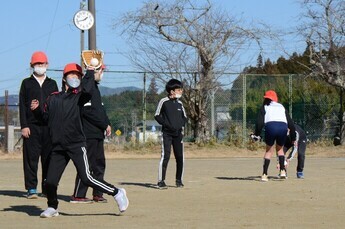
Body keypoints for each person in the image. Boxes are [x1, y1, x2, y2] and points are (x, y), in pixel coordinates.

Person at [31, 63, 128, 218]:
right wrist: (36, 111)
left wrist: (89, 71)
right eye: (71, 75)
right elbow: (45, 119)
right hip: (58, 146)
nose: (75, 78)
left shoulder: (79, 96)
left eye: (78, 76)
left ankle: (117, 192)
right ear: (64, 79)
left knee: (87, 177)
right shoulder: (53, 97)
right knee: (49, 181)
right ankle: (52, 207)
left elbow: (88, 89)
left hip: (76, 144)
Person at [19, 51, 58, 199]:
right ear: (32, 66)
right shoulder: (26, 83)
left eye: (42, 64)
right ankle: (31, 188)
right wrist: (24, 125)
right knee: (31, 159)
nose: (40, 66)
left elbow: (56, 104)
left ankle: (47, 188)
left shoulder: (52, 83)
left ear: (47, 65)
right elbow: (22, 106)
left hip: (48, 127)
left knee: (48, 158)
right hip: (31, 126)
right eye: (37, 64)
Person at [70, 64, 111, 203]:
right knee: (86, 166)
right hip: (88, 134)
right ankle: (78, 195)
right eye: (101, 70)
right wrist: (90, 71)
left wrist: (107, 124)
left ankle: (98, 193)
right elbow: (88, 112)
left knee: (99, 164)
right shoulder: (87, 87)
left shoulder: (96, 88)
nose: (102, 73)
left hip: (98, 134)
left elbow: (100, 111)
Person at [251, 90, 296, 182]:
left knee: (269, 151)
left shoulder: (265, 107)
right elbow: (291, 124)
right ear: (275, 98)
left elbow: (259, 123)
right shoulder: (281, 107)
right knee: (280, 150)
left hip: (270, 127)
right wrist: (293, 138)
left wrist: (256, 134)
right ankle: (283, 171)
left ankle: (264, 174)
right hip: (283, 127)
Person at [154, 79, 188, 189]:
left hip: (178, 134)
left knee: (180, 157)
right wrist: (167, 124)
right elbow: (157, 115)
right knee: (166, 156)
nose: (181, 91)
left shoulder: (180, 103)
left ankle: (179, 180)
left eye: (181, 89)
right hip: (167, 134)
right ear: (172, 91)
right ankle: (161, 181)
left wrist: (180, 125)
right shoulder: (164, 101)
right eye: (179, 90)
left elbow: (185, 117)